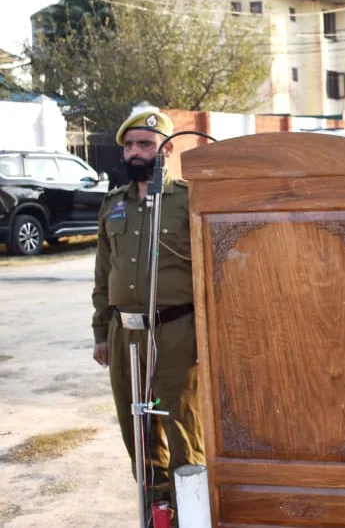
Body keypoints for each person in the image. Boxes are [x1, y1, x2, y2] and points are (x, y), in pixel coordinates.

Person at [91, 109, 205, 527]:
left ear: (167, 149)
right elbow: (104, 273)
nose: (135, 152)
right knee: (137, 432)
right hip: (126, 336)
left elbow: (213, 271)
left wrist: (207, 341)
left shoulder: (191, 199)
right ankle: (156, 513)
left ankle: (191, 514)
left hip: (177, 332)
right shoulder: (113, 205)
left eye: (145, 144)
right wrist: (101, 332)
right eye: (129, 145)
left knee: (182, 430)